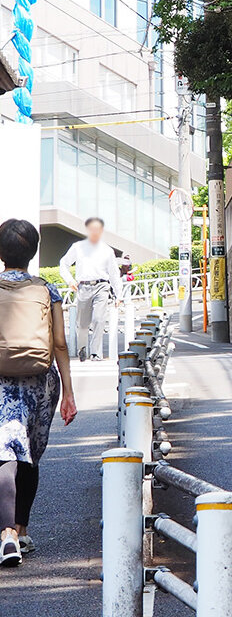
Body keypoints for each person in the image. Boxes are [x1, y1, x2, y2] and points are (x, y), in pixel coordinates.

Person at [0, 219, 77, 567]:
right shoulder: (48, 289)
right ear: (33, 252)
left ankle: (6, 535)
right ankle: (21, 529)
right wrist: (70, 393)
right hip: (39, 383)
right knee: (27, 453)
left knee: (4, 452)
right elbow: (59, 342)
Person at [59, 216, 122, 362]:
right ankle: (82, 348)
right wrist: (70, 280)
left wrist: (118, 295)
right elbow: (64, 263)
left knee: (99, 319)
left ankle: (95, 353)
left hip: (102, 286)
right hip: (83, 287)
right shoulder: (77, 247)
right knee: (82, 323)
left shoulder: (107, 250)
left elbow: (114, 274)